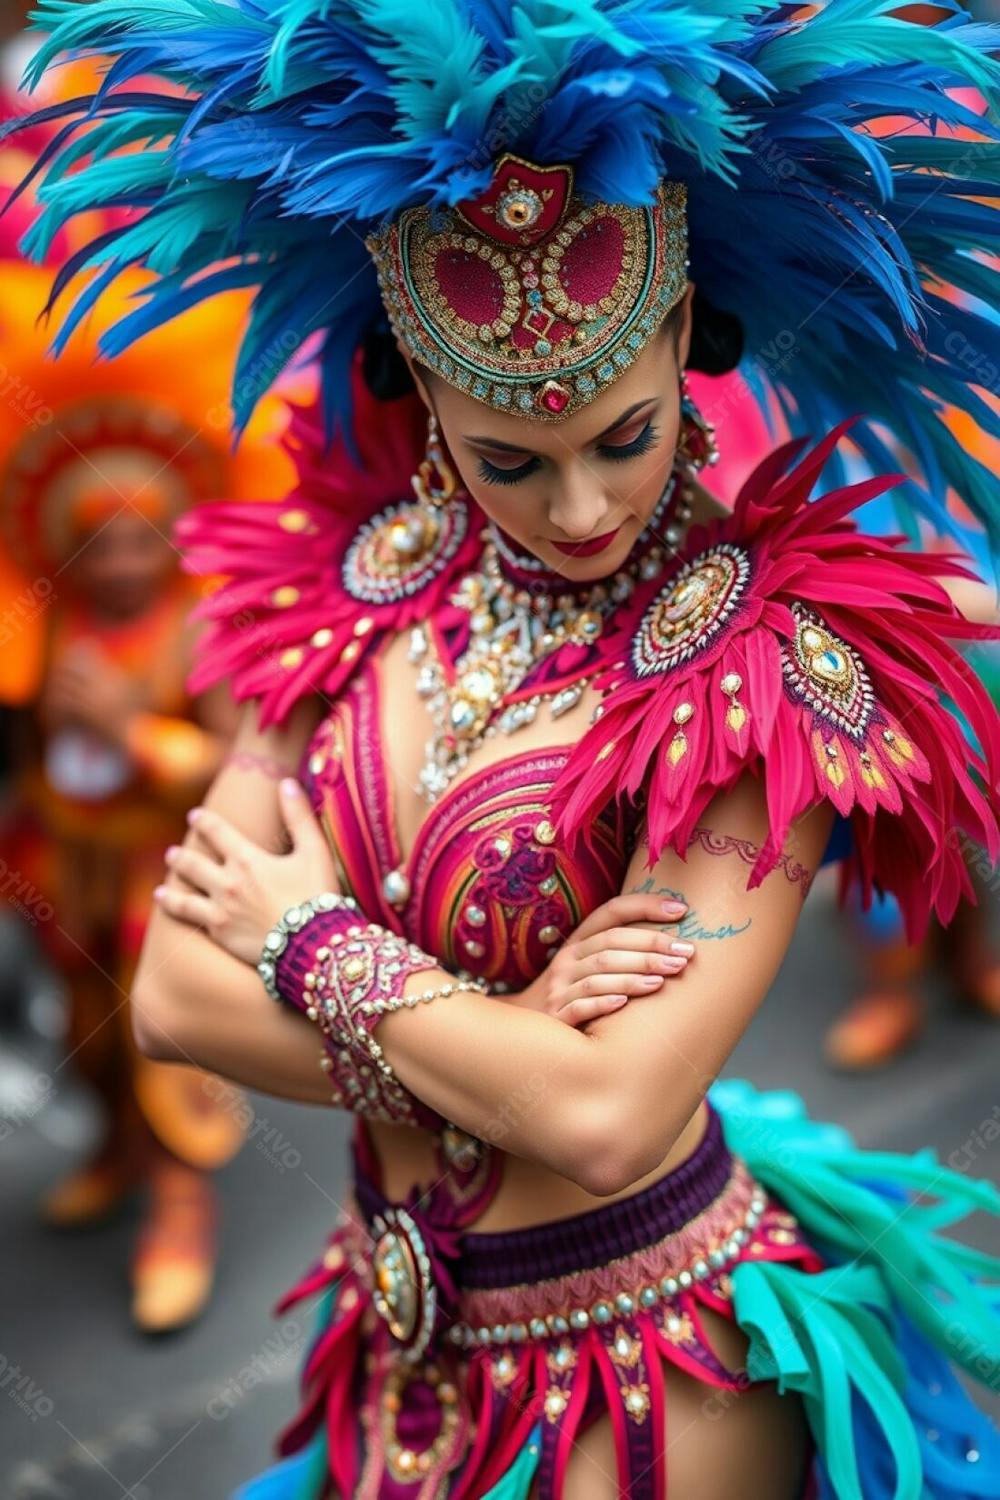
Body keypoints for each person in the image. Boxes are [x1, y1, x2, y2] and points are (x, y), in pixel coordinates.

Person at [12, 0, 1000, 1494]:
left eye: (626, 435)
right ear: (422, 390)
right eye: (511, 462)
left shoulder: (758, 658)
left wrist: (310, 940)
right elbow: (169, 996)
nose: (584, 513)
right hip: (391, 1346)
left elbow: (608, 1118)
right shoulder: (355, 582)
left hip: (652, 1373)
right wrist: (516, 1024)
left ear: (677, 339)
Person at [0, 260, 296, 1331]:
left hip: (158, 875)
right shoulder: (51, 618)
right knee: (83, 1028)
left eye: (141, 538)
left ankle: (180, 1197)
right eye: (99, 540)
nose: (121, 561)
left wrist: (132, 731)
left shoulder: (201, 627)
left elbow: (236, 769)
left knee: (159, 1035)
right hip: (63, 860)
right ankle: (117, 1153)